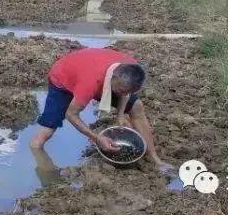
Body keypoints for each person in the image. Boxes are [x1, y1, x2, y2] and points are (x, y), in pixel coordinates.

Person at [29, 48, 169, 170]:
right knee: (47, 130)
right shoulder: (90, 82)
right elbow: (71, 114)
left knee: (136, 107)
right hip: (62, 80)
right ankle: (41, 162)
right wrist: (97, 138)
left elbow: (126, 92)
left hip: (95, 73)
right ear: (114, 78)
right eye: (120, 90)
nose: (123, 93)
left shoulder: (131, 68)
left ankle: (154, 158)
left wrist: (120, 114)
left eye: (126, 91)